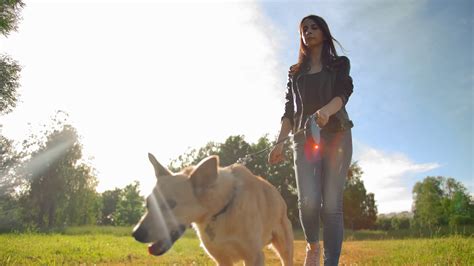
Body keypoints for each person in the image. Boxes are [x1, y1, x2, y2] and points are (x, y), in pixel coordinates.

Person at [268, 14, 354, 266]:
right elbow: (288, 111)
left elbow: (344, 92)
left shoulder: (339, 64)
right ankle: (313, 247)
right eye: (304, 29)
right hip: (303, 139)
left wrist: (326, 111)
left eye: (313, 27)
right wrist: (279, 141)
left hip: (337, 135)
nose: (308, 31)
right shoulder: (295, 73)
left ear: (324, 33)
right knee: (308, 200)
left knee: (331, 204)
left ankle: (330, 262)